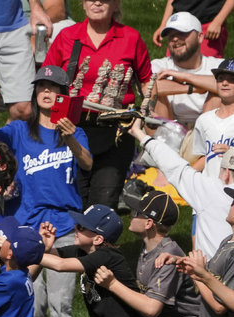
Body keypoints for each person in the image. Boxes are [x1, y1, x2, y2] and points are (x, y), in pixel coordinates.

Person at [0, 66, 92, 317]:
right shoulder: (18, 131)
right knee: (34, 307)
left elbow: (86, 162)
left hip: (64, 226)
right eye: (41, 86)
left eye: (53, 87)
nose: (47, 91)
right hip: (26, 230)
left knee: (61, 309)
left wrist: (70, 135)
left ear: (64, 94)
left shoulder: (76, 132)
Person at [43, 0, 152, 211]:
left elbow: (147, 81)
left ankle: (100, 242)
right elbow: (47, 83)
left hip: (116, 132)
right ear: (83, 4)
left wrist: (148, 108)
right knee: (72, 201)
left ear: (115, 4)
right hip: (71, 130)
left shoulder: (131, 37)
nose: (97, 2)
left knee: (104, 203)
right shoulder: (67, 36)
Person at [128, 118, 234, 260]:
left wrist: (139, 134)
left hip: (212, 276)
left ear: (226, 173)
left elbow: (173, 164)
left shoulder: (211, 190)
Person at [151, 12, 222, 129]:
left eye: (182, 33)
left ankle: (205, 143)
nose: (175, 39)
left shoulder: (217, 65)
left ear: (200, 37)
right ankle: (163, 144)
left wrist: (185, 76)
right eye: (171, 35)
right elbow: (149, 86)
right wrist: (194, 88)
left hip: (207, 132)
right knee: (154, 94)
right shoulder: (159, 65)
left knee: (220, 92)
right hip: (169, 130)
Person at [192, 58, 234, 179]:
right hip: (208, 190)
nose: (225, 83)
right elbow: (204, 157)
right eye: (220, 79)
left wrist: (231, 154)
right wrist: (187, 176)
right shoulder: (204, 120)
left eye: (232, 79)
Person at [153, 0, 234, 58]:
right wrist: (164, 24)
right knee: (172, 70)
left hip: (207, 24)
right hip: (178, 23)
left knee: (206, 73)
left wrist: (218, 21)